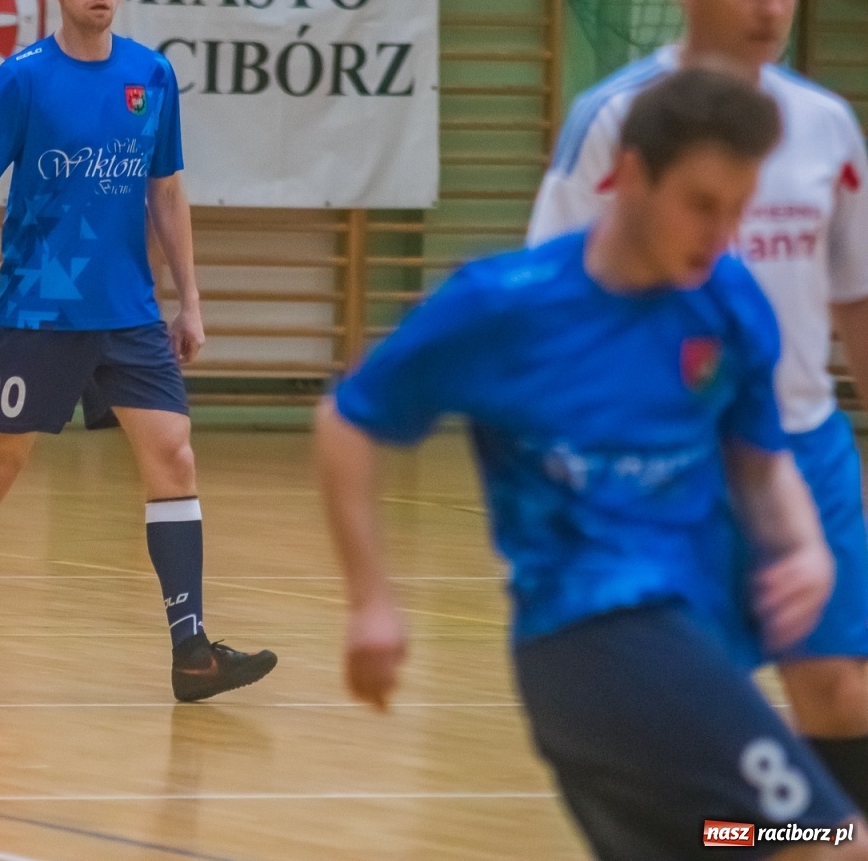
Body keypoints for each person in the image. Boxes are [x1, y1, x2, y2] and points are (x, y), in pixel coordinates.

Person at [318, 68, 868, 860]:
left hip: (684, 644)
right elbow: (345, 419)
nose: (720, 233)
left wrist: (806, 547)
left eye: (737, 211)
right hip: (599, 639)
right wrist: (371, 600)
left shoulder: (727, 299)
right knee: (826, 839)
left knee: (722, 840)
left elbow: (760, 462)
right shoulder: (507, 305)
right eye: (702, 204)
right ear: (633, 176)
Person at [528, 0, 868, 809]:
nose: (770, 6)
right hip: (672, 462)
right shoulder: (614, 119)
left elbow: (855, 295)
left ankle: (821, 847)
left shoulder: (827, 126)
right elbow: (553, 301)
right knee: (691, 707)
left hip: (806, 442)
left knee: (839, 689)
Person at [0, 0, 277, 702]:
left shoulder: (151, 75)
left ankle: (192, 651)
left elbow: (166, 191)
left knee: (173, 459)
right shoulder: (24, 79)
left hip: (129, 316)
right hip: (39, 311)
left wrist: (191, 300)